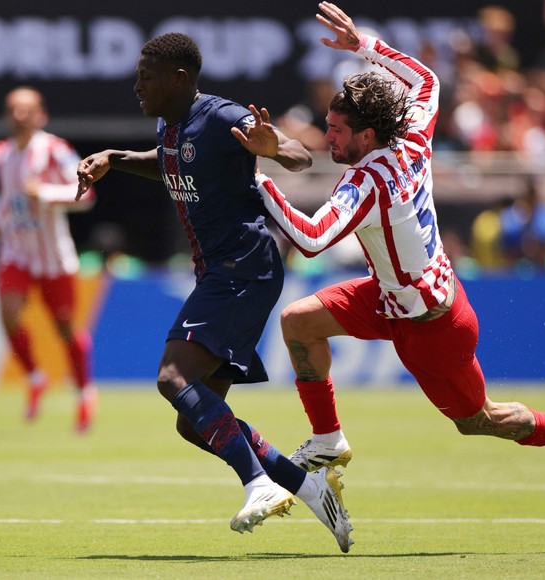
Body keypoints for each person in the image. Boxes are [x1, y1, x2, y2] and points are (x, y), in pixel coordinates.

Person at [253, 2, 545, 474]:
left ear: (368, 134)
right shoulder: (413, 138)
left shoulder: (365, 183)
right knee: (299, 321)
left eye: (338, 131)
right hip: (397, 296)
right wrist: (364, 45)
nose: (328, 137)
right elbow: (428, 81)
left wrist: (256, 180)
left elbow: (313, 239)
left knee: (479, 419)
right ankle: (327, 439)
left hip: (432, 327)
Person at [75, 32, 353, 551]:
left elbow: (298, 156)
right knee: (194, 422)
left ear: (179, 79)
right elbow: (169, 162)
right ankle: (308, 486)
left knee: (172, 376)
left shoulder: (223, 117)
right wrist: (114, 157)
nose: (137, 84)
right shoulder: (170, 125)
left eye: (146, 75)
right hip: (224, 271)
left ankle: (258, 485)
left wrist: (277, 149)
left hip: (242, 265)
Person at [0, 86, 97, 433]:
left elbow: (87, 193)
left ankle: (83, 393)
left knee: (64, 327)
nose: (19, 115)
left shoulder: (55, 150)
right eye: (13, 109)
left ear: (41, 114)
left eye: (26, 109)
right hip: (15, 252)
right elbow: (7, 198)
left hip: (53, 256)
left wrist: (45, 194)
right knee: (8, 314)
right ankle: (35, 376)